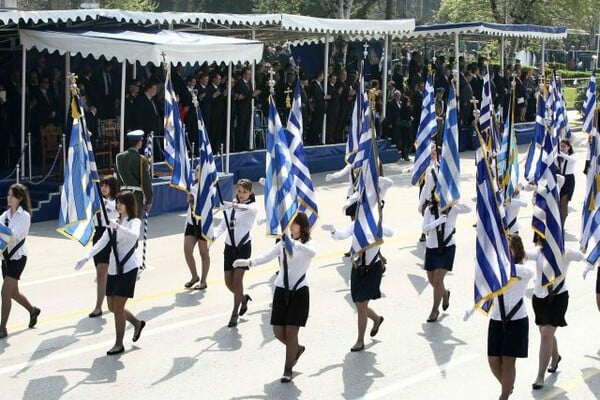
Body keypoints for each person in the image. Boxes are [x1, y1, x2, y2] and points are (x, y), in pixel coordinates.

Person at [233, 212, 316, 383]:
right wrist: (247, 262)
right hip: (281, 290)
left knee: (291, 332)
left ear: (302, 226)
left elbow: (311, 253)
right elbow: (265, 257)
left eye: (294, 223)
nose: (291, 226)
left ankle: (287, 369)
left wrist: (294, 244)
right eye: (289, 223)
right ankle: (296, 349)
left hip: (299, 291)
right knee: (278, 333)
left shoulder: (308, 243)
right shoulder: (282, 245)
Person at [75, 191, 146, 355]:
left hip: (128, 268)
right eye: (117, 202)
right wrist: (86, 257)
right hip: (114, 268)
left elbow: (135, 235)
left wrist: (118, 227)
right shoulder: (112, 222)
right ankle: (136, 323)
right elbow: (101, 243)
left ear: (128, 205)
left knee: (119, 308)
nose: (118, 205)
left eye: (121, 203)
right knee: (112, 307)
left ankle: (119, 343)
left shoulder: (133, 221)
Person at [321, 222, 393, 352]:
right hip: (357, 267)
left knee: (361, 305)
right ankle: (377, 319)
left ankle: (360, 341)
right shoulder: (356, 224)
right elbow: (341, 235)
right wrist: (333, 230)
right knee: (359, 305)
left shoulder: (376, 224)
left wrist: (377, 230)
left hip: (372, 269)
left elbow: (391, 233)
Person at [527, 235, 584, 390]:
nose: (539, 243)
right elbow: (524, 255)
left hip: (558, 298)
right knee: (546, 334)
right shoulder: (539, 252)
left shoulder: (565, 252)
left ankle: (540, 376)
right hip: (540, 299)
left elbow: (581, 256)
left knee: (546, 334)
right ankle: (556, 357)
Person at [487, 234, 533, 400]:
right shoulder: (496, 270)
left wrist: (505, 266)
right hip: (497, 319)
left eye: (509, 249)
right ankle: (508, 385)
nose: (506, 253)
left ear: (517, 251)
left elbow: (527, 272)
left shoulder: (522, 271)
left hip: (517, 320)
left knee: (508, 361)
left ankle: (504, 396)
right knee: (493, 361)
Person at [213, 179, 257, 327]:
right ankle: (243, 298)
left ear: (250, 193)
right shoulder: (231, 205)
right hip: (229, 247)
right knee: (228, 283)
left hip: (243, 247)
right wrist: (212, 237)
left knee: (237, 282)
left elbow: (245, 209)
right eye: (239, 191)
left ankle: (234, 313)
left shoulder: (252, 207)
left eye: (245, 192)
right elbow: (223, 225)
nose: (242, 194)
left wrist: (231, 205)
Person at [0, 184, 40, 339]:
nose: (9, 198)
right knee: (13, 292)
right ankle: (33, 310)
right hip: (6, 258)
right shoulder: (6, 215)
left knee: (5, 292)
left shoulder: (24, 216)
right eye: (8, 194)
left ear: (20, 198)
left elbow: (14, 235)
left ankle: (2, 328)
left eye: (12, 195)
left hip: (18, 258)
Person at [422, 199, 471, 322]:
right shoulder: (430, 209)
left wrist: (454, 202)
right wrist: (437, 222)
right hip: (432, 247)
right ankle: (444, 294)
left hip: (447, 246)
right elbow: (424, 229)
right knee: (433, 281)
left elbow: (468, 208)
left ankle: (434, 310)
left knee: (438, 280)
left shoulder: (453, 208)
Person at [89, 176, 120, 318]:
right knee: (100, 272)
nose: (103, 188)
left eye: (107, 185)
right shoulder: (97, 202)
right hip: (98, 234)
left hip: (110, 236)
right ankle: (104, 301)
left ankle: (98, 306)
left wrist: (102, 202)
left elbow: (115, 211)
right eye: (102, 185)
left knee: (103, 272)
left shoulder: (115, 203)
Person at [183, 165, 210, 290]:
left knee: (203, 252)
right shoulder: (192, 185)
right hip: (191, 221)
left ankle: (203, 280)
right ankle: (194, 276)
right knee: (187, 250)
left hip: (202, 223)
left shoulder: (208, 188)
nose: (195, 172)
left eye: (198, 170)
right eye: (195, 170)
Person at [115, 130, 153, 219]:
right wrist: (149, 199)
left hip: (122, 193)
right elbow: (145, 181)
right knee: (134, 223)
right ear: (139, 142)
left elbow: (118, 179)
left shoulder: (119, 157)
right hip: (135, 195)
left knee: (123, 222)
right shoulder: (141, 159)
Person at [557, 139, 576, 229]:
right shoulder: (559, 157)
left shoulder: (572, 156)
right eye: (561, 146)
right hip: (560, 179)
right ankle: (559, 221)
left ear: (569, 147)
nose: (562, 148)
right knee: (559, 203)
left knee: (564, 202)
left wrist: (560, 153)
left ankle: (562, 225)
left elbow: (571, 159)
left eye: (564, 146)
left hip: (569, 180)